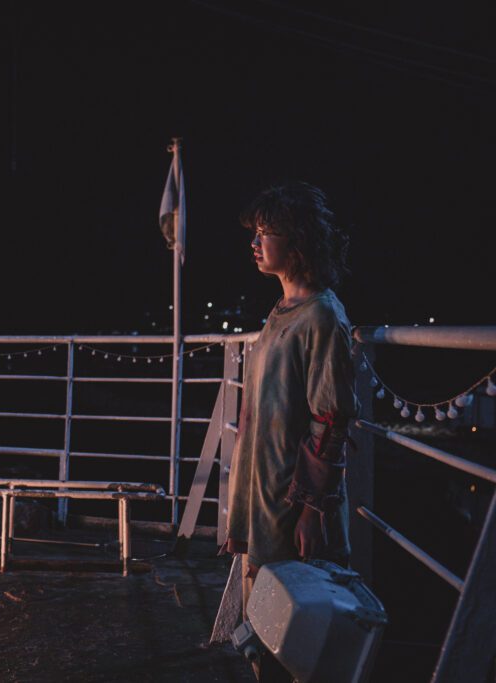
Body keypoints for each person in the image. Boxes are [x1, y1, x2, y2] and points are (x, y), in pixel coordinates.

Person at [225, 182, 357, 681]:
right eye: (256, 233)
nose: (255, 243)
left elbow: (331, 418)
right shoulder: (281, 310)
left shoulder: (322, 316)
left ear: (297, 241)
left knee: (296, 633)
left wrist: (311, 510)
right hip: (265, 496)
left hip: (290, 502)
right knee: (266, 623)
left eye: (266, 233)